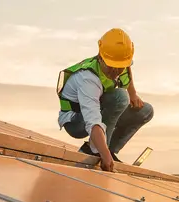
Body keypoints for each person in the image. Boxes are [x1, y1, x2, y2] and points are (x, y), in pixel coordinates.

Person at [56, 28, 154, 172]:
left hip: (100, 110)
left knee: (145, 111)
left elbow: (127, 69)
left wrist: (133, 93)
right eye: (111, 67)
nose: (115, 72)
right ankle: (95, 150)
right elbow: (93, 121)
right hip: (76, 121)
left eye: (119, 67)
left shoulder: (121, 62)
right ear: (101, 57)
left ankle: (111, 151)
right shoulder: (88, 78)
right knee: (120, 97)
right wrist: (103, 153)